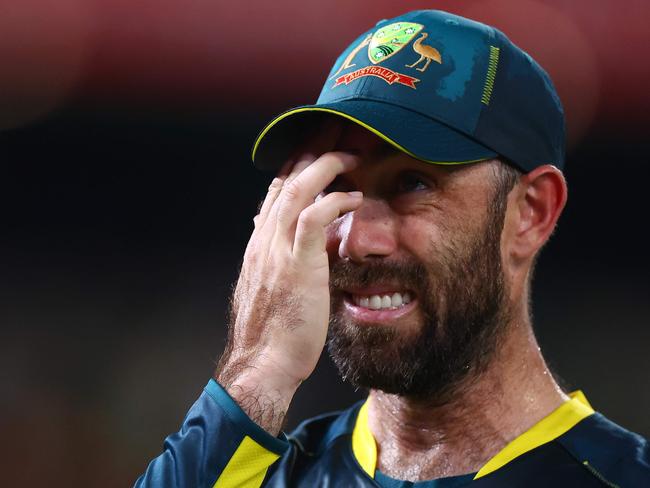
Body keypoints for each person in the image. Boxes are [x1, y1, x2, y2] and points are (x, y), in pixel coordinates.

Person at [135, 10, 649, 487]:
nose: (357, 240)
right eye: (338, 186)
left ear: (531, 212)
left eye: (412, 183)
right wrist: (256, 375)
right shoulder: (259, 473)